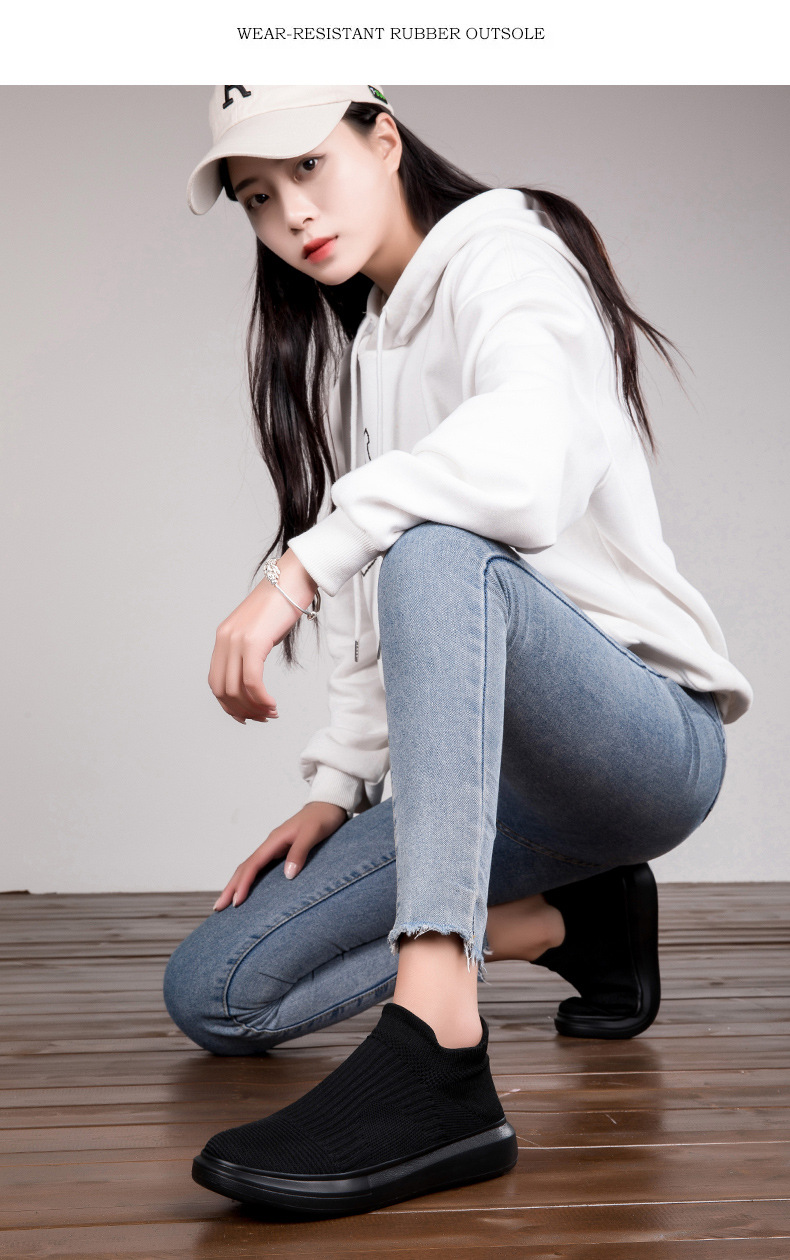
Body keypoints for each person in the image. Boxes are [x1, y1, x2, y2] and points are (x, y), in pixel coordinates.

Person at [165, 85, 752, 1216]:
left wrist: (294, 571)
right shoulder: (370, 345)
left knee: (437, 550)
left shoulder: (509, 256)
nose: (292, 213)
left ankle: (438, 1047)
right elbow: (380, 616)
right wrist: (338, 784)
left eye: (308, 166)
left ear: (383, 139)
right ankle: (576, 924)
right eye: (256, 196)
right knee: (216, 991)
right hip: (488, 793)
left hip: (637, 746)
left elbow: (519, 471)